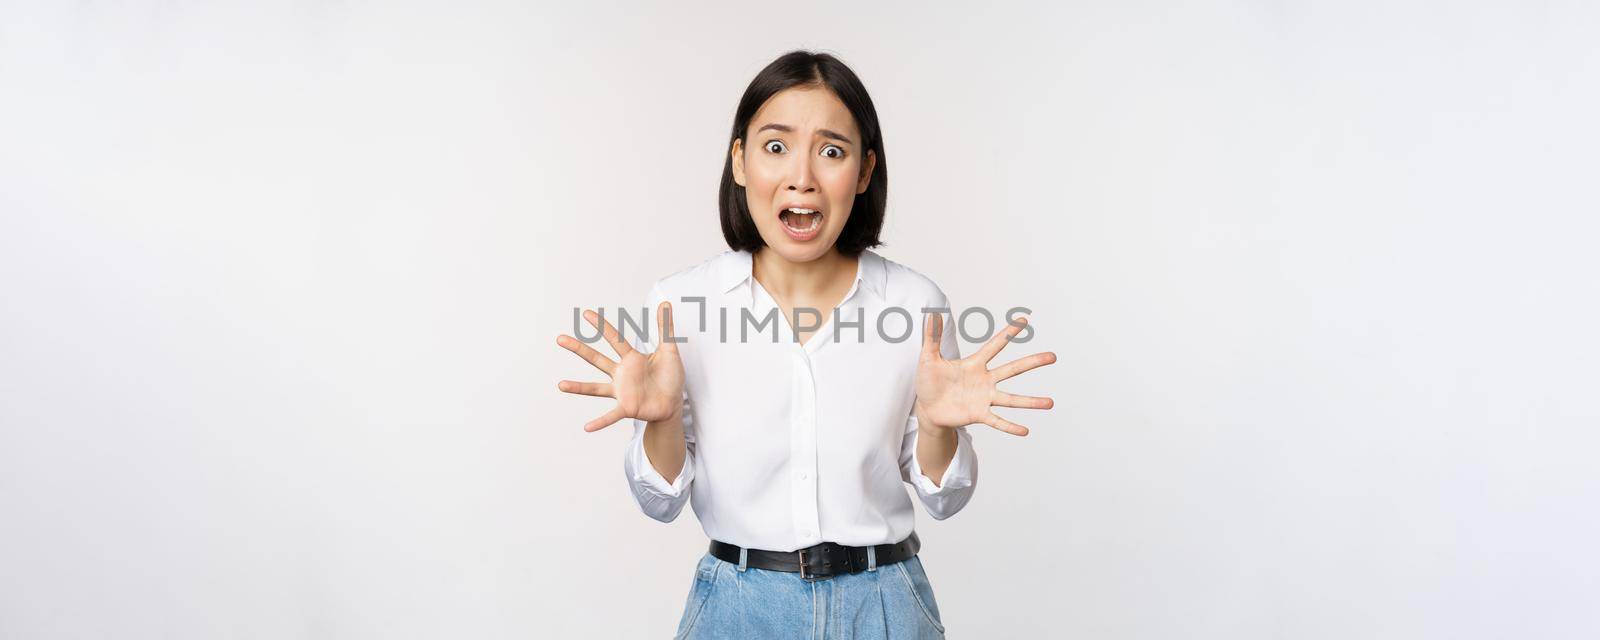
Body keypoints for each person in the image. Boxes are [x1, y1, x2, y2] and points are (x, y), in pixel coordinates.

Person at [555, 50, 1057, 639]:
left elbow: (944, 501)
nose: (803, 177)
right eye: (775, 147)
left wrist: (940, 427)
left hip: (884, 605)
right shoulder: (682, 304)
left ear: (864, 172)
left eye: (832, 151)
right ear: (739, 162)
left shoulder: (914, 304)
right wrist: (661, 419)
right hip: (736, 608)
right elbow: (659, 503)